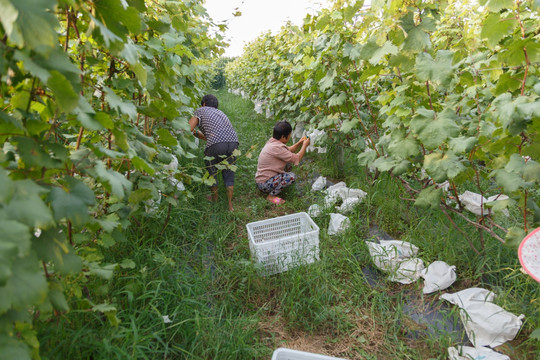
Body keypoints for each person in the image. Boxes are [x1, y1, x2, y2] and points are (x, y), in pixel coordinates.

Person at [189, 94, 239, 211]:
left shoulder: (200, 110)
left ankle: (214, 199)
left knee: (212, 169)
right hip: (234, 142)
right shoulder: (220, 113)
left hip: (217, 143)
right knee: (229, 170)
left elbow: (188, 128)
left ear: (204, 104)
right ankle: (230, 206)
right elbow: (212, 136)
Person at [255, 120, 310, 204]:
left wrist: (299, 142)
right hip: (264, 184)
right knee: (291, 176)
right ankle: (271, 196)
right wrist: (305, 145)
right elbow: (297, 158)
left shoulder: (273, 141)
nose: (290, 136)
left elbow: (289, 150)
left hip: (262, 180)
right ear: (283, 137)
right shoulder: (277, 148)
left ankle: (277, 183)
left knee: (288, 162)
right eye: (289, 134)